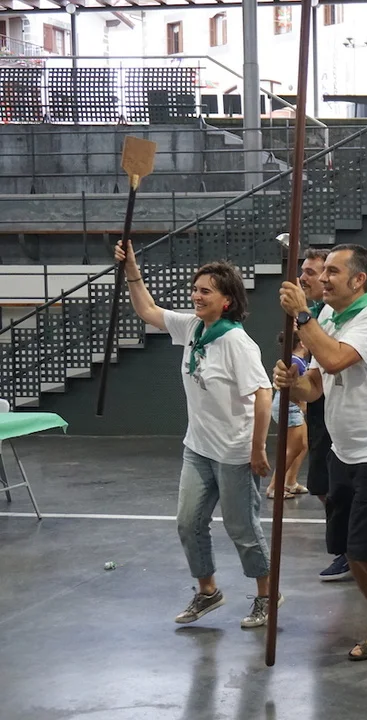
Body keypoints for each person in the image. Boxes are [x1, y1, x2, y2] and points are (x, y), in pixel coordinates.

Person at [113, 239, 279, 628]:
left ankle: (267, 596)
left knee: (242, 528)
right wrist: (131, 268)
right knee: (188, 522)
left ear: (227, 300)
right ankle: (208, 592)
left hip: (234, 453)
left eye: (206, 291)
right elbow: (148, 310)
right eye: (195, 289)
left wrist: (257, 449)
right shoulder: (192, 328)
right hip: (198, 448)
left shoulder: (236, 342)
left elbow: (264, 394)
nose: (196, 296)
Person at [274, 243, 367, 676]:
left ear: (358, 280)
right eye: (321, 272)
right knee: (348, 550)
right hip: (346, 451)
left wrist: (302, 316)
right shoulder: (328, 316)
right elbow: (316, 386)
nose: (321, 279)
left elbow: (336, 359)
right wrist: (292, 383)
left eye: (332, 272)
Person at [297, 248, 351, 581]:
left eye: (312, 272)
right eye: (303, 271)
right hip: (322, 410)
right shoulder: (319, 314)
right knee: (320, 483)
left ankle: (347, 547)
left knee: (338, 485)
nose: (304, 278)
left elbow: (333, 360)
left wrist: (303, 317)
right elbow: (314, 375)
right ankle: (346, 541)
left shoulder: (335, 317)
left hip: (343, 413)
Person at [268, 331, 310, 499]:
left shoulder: (299, 361)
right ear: (301, 343)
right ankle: (274, 487)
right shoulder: (294, 362)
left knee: (303, 445)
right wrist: (302, 405)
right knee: (293, 448)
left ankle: (290, 482)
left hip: (292, 406)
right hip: (289, 407)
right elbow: (292, 389)